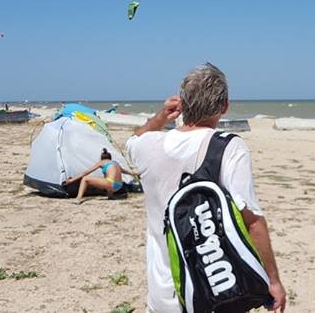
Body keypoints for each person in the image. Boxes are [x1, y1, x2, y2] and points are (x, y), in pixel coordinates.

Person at [126, 63, 286, 313]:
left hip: (162, 296)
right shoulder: (228, 147)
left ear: (182, 104)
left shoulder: (148, 146)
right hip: (213, 288)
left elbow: (133, 140)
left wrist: (159, 118)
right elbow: (252, 220)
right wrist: (273, 280)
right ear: (224, 106)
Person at [64, 149, 131, 204]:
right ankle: (110, 196)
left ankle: (78, 199)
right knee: (107, 177)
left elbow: (86, 172)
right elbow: (125, 171)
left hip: (111, 184)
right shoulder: (115, 163)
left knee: (85, 179)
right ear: (110, 158)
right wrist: (134, 174)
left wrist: (71, 180)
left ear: (101, 158)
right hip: (119, 185)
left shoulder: (102, 162)